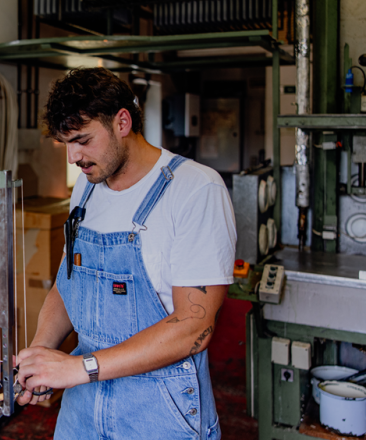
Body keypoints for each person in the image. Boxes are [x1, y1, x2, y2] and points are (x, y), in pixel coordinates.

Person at [14, 68, 236, 440]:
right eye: (65, 143)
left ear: (122, 122)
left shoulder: (195, 190)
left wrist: (77, 368)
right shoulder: (86, 190)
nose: (73, 158)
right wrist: (41, 355)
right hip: (83, 409)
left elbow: (193, 327)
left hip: (160, 413)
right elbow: (68, 286)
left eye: (82, 140)